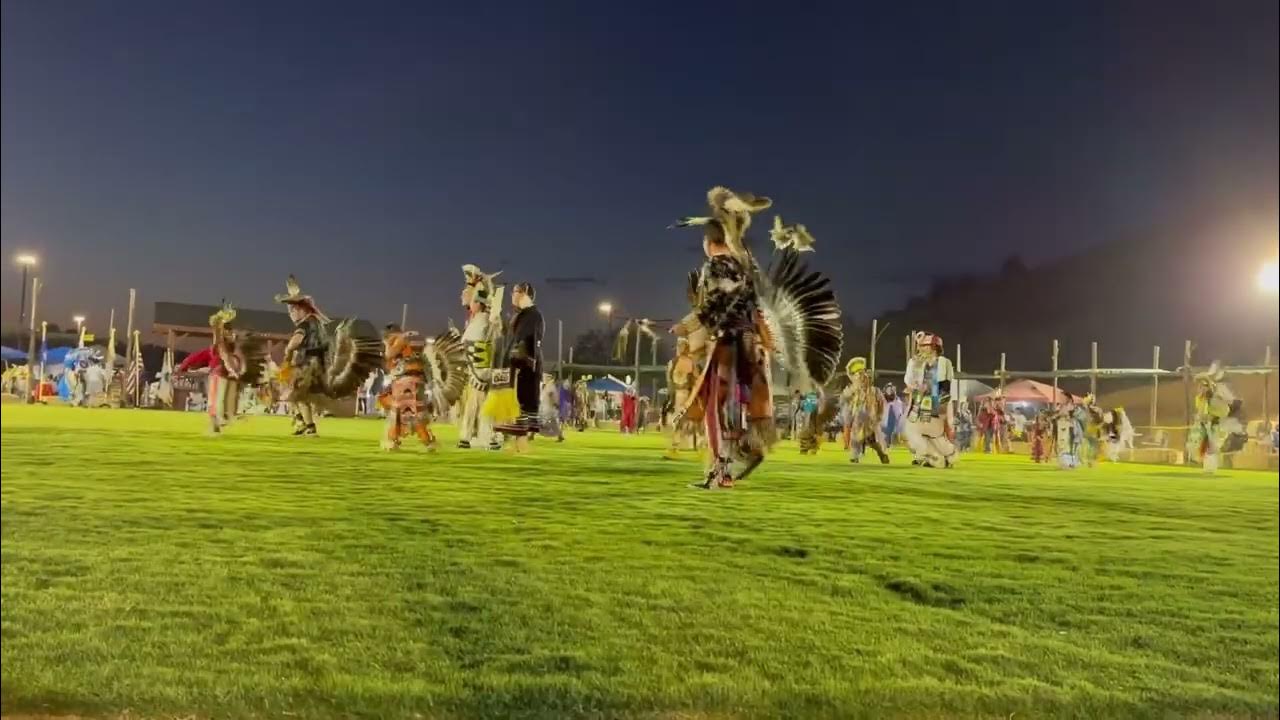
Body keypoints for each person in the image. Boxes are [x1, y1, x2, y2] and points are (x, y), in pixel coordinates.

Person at [669, 186, 843, 488]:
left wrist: (689, 323)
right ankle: (745, 450)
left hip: (728, 343)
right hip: (751, 348)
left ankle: (722, 470)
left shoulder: (717, 265)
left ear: (710, 243)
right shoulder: (745, 266)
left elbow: (719, 301)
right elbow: (753, 306)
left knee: (716, 407)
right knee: (741, 404)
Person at [273, 276, 381, 436]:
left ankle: (308, 425)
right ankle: (302, 422)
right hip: (315, 364)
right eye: (290, 311)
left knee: (297, 395)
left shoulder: (306, 324)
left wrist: (288, 353)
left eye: (293, 310)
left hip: (307, 366)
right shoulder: (316, 323)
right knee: (296, 395)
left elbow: (295, 342)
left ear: (301, 310)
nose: (291, 314)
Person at [177, 304, 265, 434]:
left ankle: (223, 420)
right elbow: (219, 348)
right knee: (217, 401)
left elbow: (235, 356)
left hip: (227, 373)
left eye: (229, 331)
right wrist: (218, 326)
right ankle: (217, 423)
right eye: (226, 331)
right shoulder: (219, 344)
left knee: (226, 401)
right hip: (219, 373)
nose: (229, 333)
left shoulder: (231, 345)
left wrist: (238, 370)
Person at [490, 281, 544, 452]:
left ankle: (522, 445)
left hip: (525, 367)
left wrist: (520, 360)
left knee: (522, 405)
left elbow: (527, 341)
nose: (512, 296)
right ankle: (518, 444)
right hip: (517, 366)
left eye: (515, 292)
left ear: (524, 293)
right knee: (517, 406)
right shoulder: (521, 315)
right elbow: (511, 338)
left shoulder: (533, 315)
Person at [456, 265, 505, 450]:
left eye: (474, 301)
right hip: (476, 368)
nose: (469, 302)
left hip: (480, 369)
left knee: (480, 401)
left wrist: (475, 283)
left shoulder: (484, 320)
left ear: (479, 303)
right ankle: (470, 435)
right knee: (473, 402)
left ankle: (485, 436)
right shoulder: (479, 320)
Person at [902, 332, 957, 468]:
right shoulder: (916, 363)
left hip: (935, 403)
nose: (921, 349)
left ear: (934, 347)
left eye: (925, 346)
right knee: (919, 433)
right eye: (920, 346)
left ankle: (936, 457)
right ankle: (949, 455)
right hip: (918, 403)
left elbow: (945, 388)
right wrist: (914, 387)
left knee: (928, 434)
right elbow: (909, 381)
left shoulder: (944, 363)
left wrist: (944, 411)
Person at [378, 324, 436, 451]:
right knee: (417, 414)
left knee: (398, 413)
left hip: (404, 381)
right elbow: (425, 363)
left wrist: (387, 344)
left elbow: (389, 354)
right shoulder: (413, 341)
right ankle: (428, 442)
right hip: (417, 381)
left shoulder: (398, 339)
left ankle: (394, 441)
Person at [1187, 363, 1246, 473]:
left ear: (1207, 386)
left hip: (1218, 423)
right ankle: (1207, 467)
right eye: (1199, 386)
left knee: (1213, 446)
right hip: (1206, 424)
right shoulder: (1199, 398)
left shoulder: (1216, 396)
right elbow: (1201, 412)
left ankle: (1211, 468)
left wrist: (1213, 416)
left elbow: (1225, 408)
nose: (1200, 388)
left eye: (1203, 386)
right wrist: (1201, 418)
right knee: (1202, 445)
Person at [842, 357, 889, 464]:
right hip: (858, 420)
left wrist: (879, 416)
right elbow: (847, 400)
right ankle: (855, 456)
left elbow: (881, 404)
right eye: (860, 378)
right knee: (855, 438)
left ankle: (881, 454)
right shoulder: (855, 391)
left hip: (870, 420)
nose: (862, 380)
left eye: (864, 378)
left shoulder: (875, 391)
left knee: (871, 441)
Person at [539, 373, 564, 441]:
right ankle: (560, 436)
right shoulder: (548, 385)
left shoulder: (550, 385)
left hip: (549, 408)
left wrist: (555, 404)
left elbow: (551, 395)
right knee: (552, 422)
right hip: (547, 407)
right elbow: (549, 395)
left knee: (541, 422)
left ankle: (560, 436)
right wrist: (555, 404)